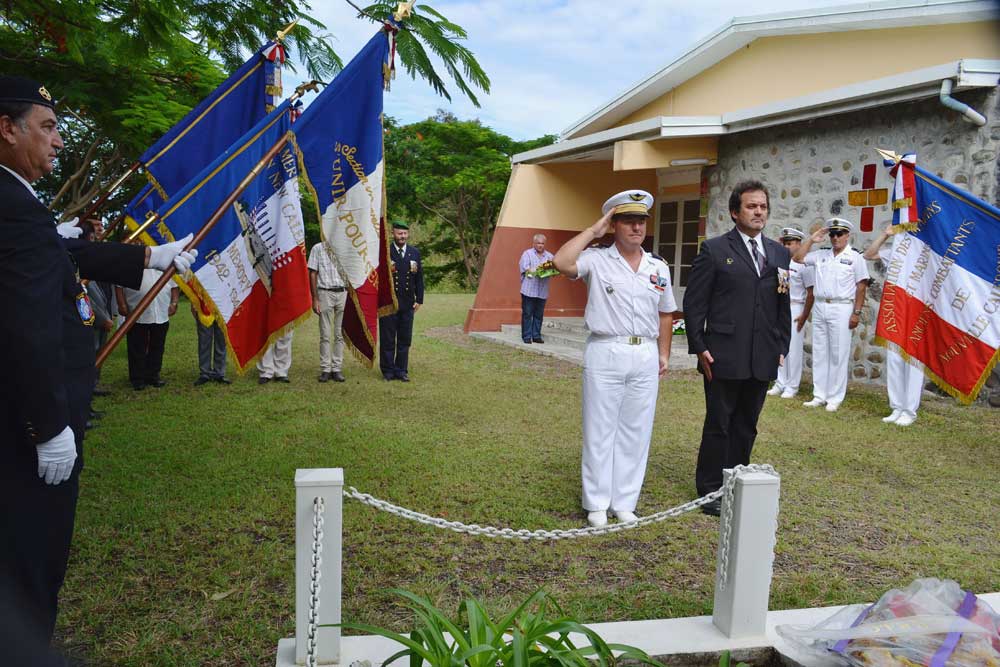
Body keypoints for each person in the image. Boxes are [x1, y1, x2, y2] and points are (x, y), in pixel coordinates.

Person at [0, 75, 195, 655]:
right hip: (27, 427)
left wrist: (150, 255)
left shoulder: (15, 201)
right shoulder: (12, 206)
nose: (58, 141)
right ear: (7, 129)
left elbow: (63, 250)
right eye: (47, 127)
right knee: (32, 555)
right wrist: (48, 427)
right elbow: (27, 327)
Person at [553, 190, 675, 528]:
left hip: (644, 352)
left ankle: (624, 502)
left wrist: (664, 353)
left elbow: (666, 312)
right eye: (628, 221)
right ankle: (596, 502)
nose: (637, 228)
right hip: (606, 349)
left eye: (641, 221)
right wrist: (595, 230)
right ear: (614, 225)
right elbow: (562, 262)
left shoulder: (658, 267)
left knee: (636, 431)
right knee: (600, 428)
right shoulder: (596, 259)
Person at [683, 180, 791, 516]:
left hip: (762, 354)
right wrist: (699, 346)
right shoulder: (714, 250)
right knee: (720, 423)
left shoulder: (779, 253)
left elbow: (782, 303)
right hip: (722, 353)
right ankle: (710, 491)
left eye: (763, 206)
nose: (759, 212)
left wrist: (782, 344)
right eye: (751, 206)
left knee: (747, 424)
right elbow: (694, 303)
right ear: (734, 212)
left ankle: (736, 482)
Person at [792, 218, 870, 412]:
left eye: (839, 234)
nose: (835, 238)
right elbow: (798, 259)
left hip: (841, 307)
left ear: (847, 235)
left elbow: (861, 287)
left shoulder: (855, 257)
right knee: (819, 352)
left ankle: (835, 397)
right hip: (820, 305)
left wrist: (856, 313)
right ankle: (819, 395)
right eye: (832, 234)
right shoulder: (821, 254)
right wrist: (812, 240)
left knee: (838, 353)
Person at [863, 225, 923, 426]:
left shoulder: (929, 254)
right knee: (895, 359)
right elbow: (869, 255)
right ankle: (897, 406)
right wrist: (884, 235)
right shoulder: (898, 252)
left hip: (918, 313)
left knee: (913, 363)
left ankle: (909, 410)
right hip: (896, 310)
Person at [766, 227, 814, 399]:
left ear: (799, 244)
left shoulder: (804, 264)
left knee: (793, 348)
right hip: (779, 307)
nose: (786, 247)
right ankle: (780, 382)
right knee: (778, 345)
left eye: (790, 243)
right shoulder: (779, 261)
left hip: (795, 307)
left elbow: (811, 292)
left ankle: (792, 386)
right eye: (784, 243)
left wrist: (804, 315)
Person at [116, 268, 179, 390]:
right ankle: (137, 378)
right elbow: (119, 286)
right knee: (137, 347)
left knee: (157, 346)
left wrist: (174, 303)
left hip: (160, 312)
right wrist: (122, 304)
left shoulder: (165, 265)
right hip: (137, 313)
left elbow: (175, 286)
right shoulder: (131, 264)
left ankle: (153, 375)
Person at [379, 221, 424, 382]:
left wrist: (419, 299)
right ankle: (388, 371)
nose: (402, 236)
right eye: (399, 233)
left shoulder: (414, 253)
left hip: (407, 303)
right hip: (388, 303)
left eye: (405, 233)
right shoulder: (385, 252)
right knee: (388, 338)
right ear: (393, 233)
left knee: (405, 339)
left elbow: (419, 278)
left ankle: (401, 370)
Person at [308, 241, 347, 382]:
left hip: (343, 292)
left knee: (340, 334)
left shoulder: (345, 246)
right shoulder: (317, 248)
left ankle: (336, 368)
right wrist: (315, 298)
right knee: (325, 334)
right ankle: (325, 369)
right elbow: (313, 273)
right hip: (325, 293)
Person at [518, 234, 554, 344]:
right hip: (529, 289)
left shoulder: (549, 256)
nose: (540, 245)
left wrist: (551, 271)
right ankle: (527, 336)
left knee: (539, 315)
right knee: (527, 314)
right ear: (534, 243)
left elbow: (554, 268)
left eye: (542, 243)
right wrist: (538, 270)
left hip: (542, 290)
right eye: (538, 243)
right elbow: (525, 268)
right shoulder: (527, 254)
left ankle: (536, 336)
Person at [192, 299, 230, 386]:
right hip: (204, 306)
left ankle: (219, 373)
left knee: (221, 342)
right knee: (204, 342)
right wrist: (194, 303)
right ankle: (205, 373)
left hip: (223, 307)